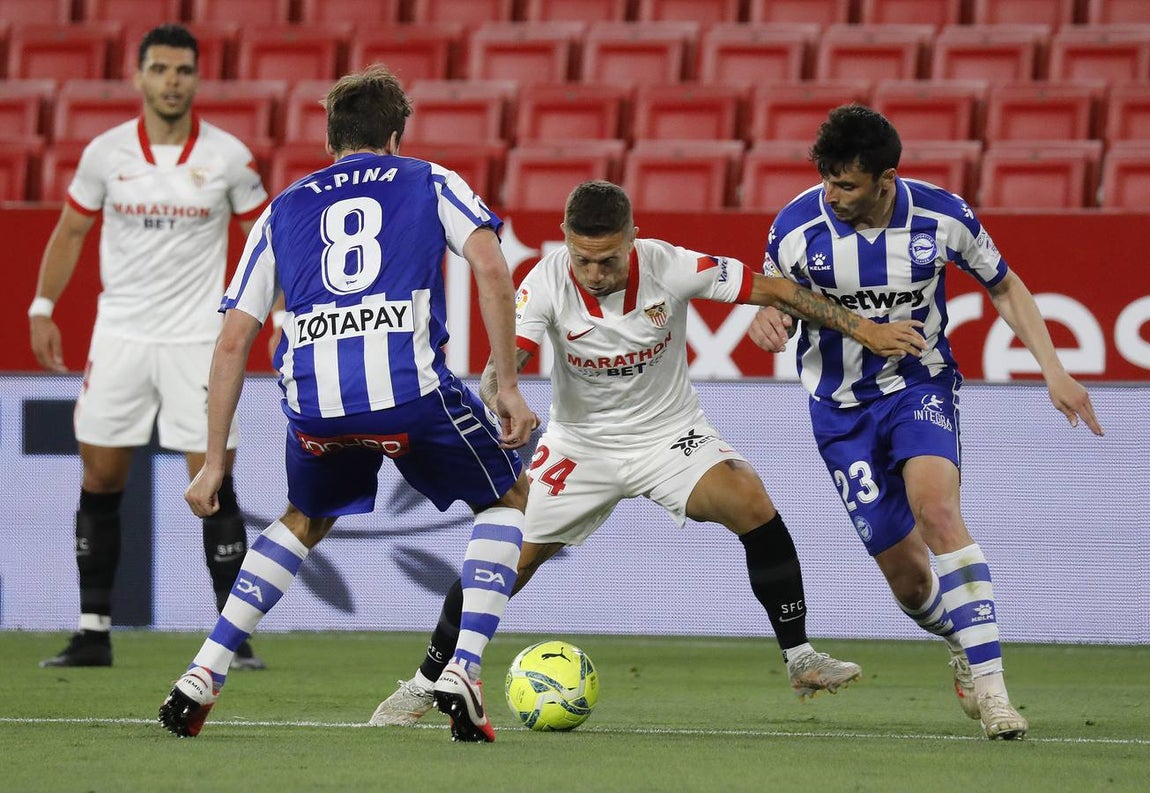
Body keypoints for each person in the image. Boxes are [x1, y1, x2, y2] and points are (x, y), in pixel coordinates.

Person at [369, 179, 927, 727]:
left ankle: (800, 657)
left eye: (608, 259)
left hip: (669, 435)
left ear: (633, 237)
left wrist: (867, 330)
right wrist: (501, 402)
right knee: (506, 558)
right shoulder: (543, 284)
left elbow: (776, 290)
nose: (594, 272)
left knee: (751, 500)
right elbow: (499, 373)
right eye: (583, 259)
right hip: (578, 446)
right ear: (564, 237)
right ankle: (424, 683)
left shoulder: (670, 265)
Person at [158, 65, 536, 744]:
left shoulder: (282, 207)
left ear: (331, 140)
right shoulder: (427, 178)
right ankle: (465, 668)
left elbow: (231, 343)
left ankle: (205, 669)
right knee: (507, 499)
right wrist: (507, 384)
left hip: (314, 403)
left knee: (304, 515)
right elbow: (490, 267)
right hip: (409, 389)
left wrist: (214, 462)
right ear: (396, 135)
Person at [747, 105, 1104, 740]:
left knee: (938, 511)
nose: (832, 195)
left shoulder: (943, 216)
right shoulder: (797, 226)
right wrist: (765, 320)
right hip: (838, 412)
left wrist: (1053, 369)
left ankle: (995, 696)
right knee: (910, 584)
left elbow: (1004, 285)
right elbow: (776, 297)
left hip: (919, 385)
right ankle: (959, 638)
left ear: (887, 178)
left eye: (847, 185)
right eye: (827, 180)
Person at [28, 24, 270, 670]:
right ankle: (92, 630)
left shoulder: (229, 157)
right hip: (122, 336)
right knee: (101, 477)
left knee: (213, 479)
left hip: (199, 339)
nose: (172, 81)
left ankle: (233, 632)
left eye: (183, 70)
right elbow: (72, 229)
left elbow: (265, 239)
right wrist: (42, 305)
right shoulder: (106, 153)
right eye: (160, 69)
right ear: (138, 76)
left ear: (197, 78)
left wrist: (280, 313)